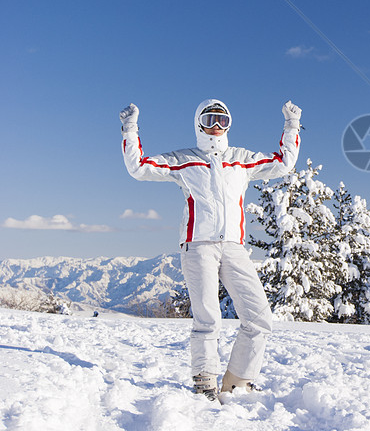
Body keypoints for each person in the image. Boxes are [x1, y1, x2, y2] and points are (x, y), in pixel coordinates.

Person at [119, 98, 301, 400]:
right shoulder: (185, 159)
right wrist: (130, 129)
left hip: (233, 246)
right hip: (198, 244)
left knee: (258, 317)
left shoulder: (241, 159)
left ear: (229, 125)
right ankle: (205, 379)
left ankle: (238, 380)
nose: (216, 127)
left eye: (222, 120)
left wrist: (291, 125)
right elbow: (139, 167)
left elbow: (283, 163)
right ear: (198, 124)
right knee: (208, 318)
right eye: (209, 120)